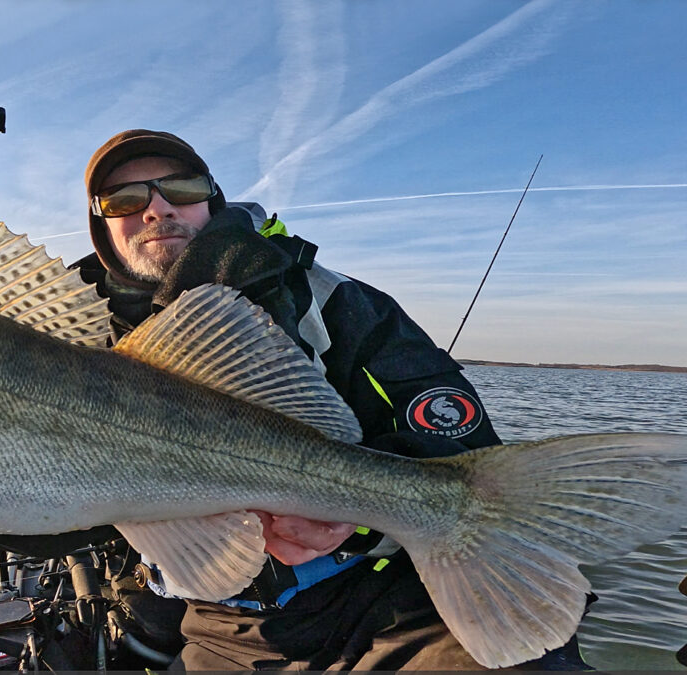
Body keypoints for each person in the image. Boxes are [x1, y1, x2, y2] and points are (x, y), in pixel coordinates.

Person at [67, 129, 593, 670]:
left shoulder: (332, 300)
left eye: (180, 187)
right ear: (101, 225)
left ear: (212, 199)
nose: (156, 208)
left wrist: (352, 518)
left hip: (382, 605)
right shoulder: (71, 337)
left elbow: (454, 442)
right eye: (124, 199)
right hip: (220, 624)